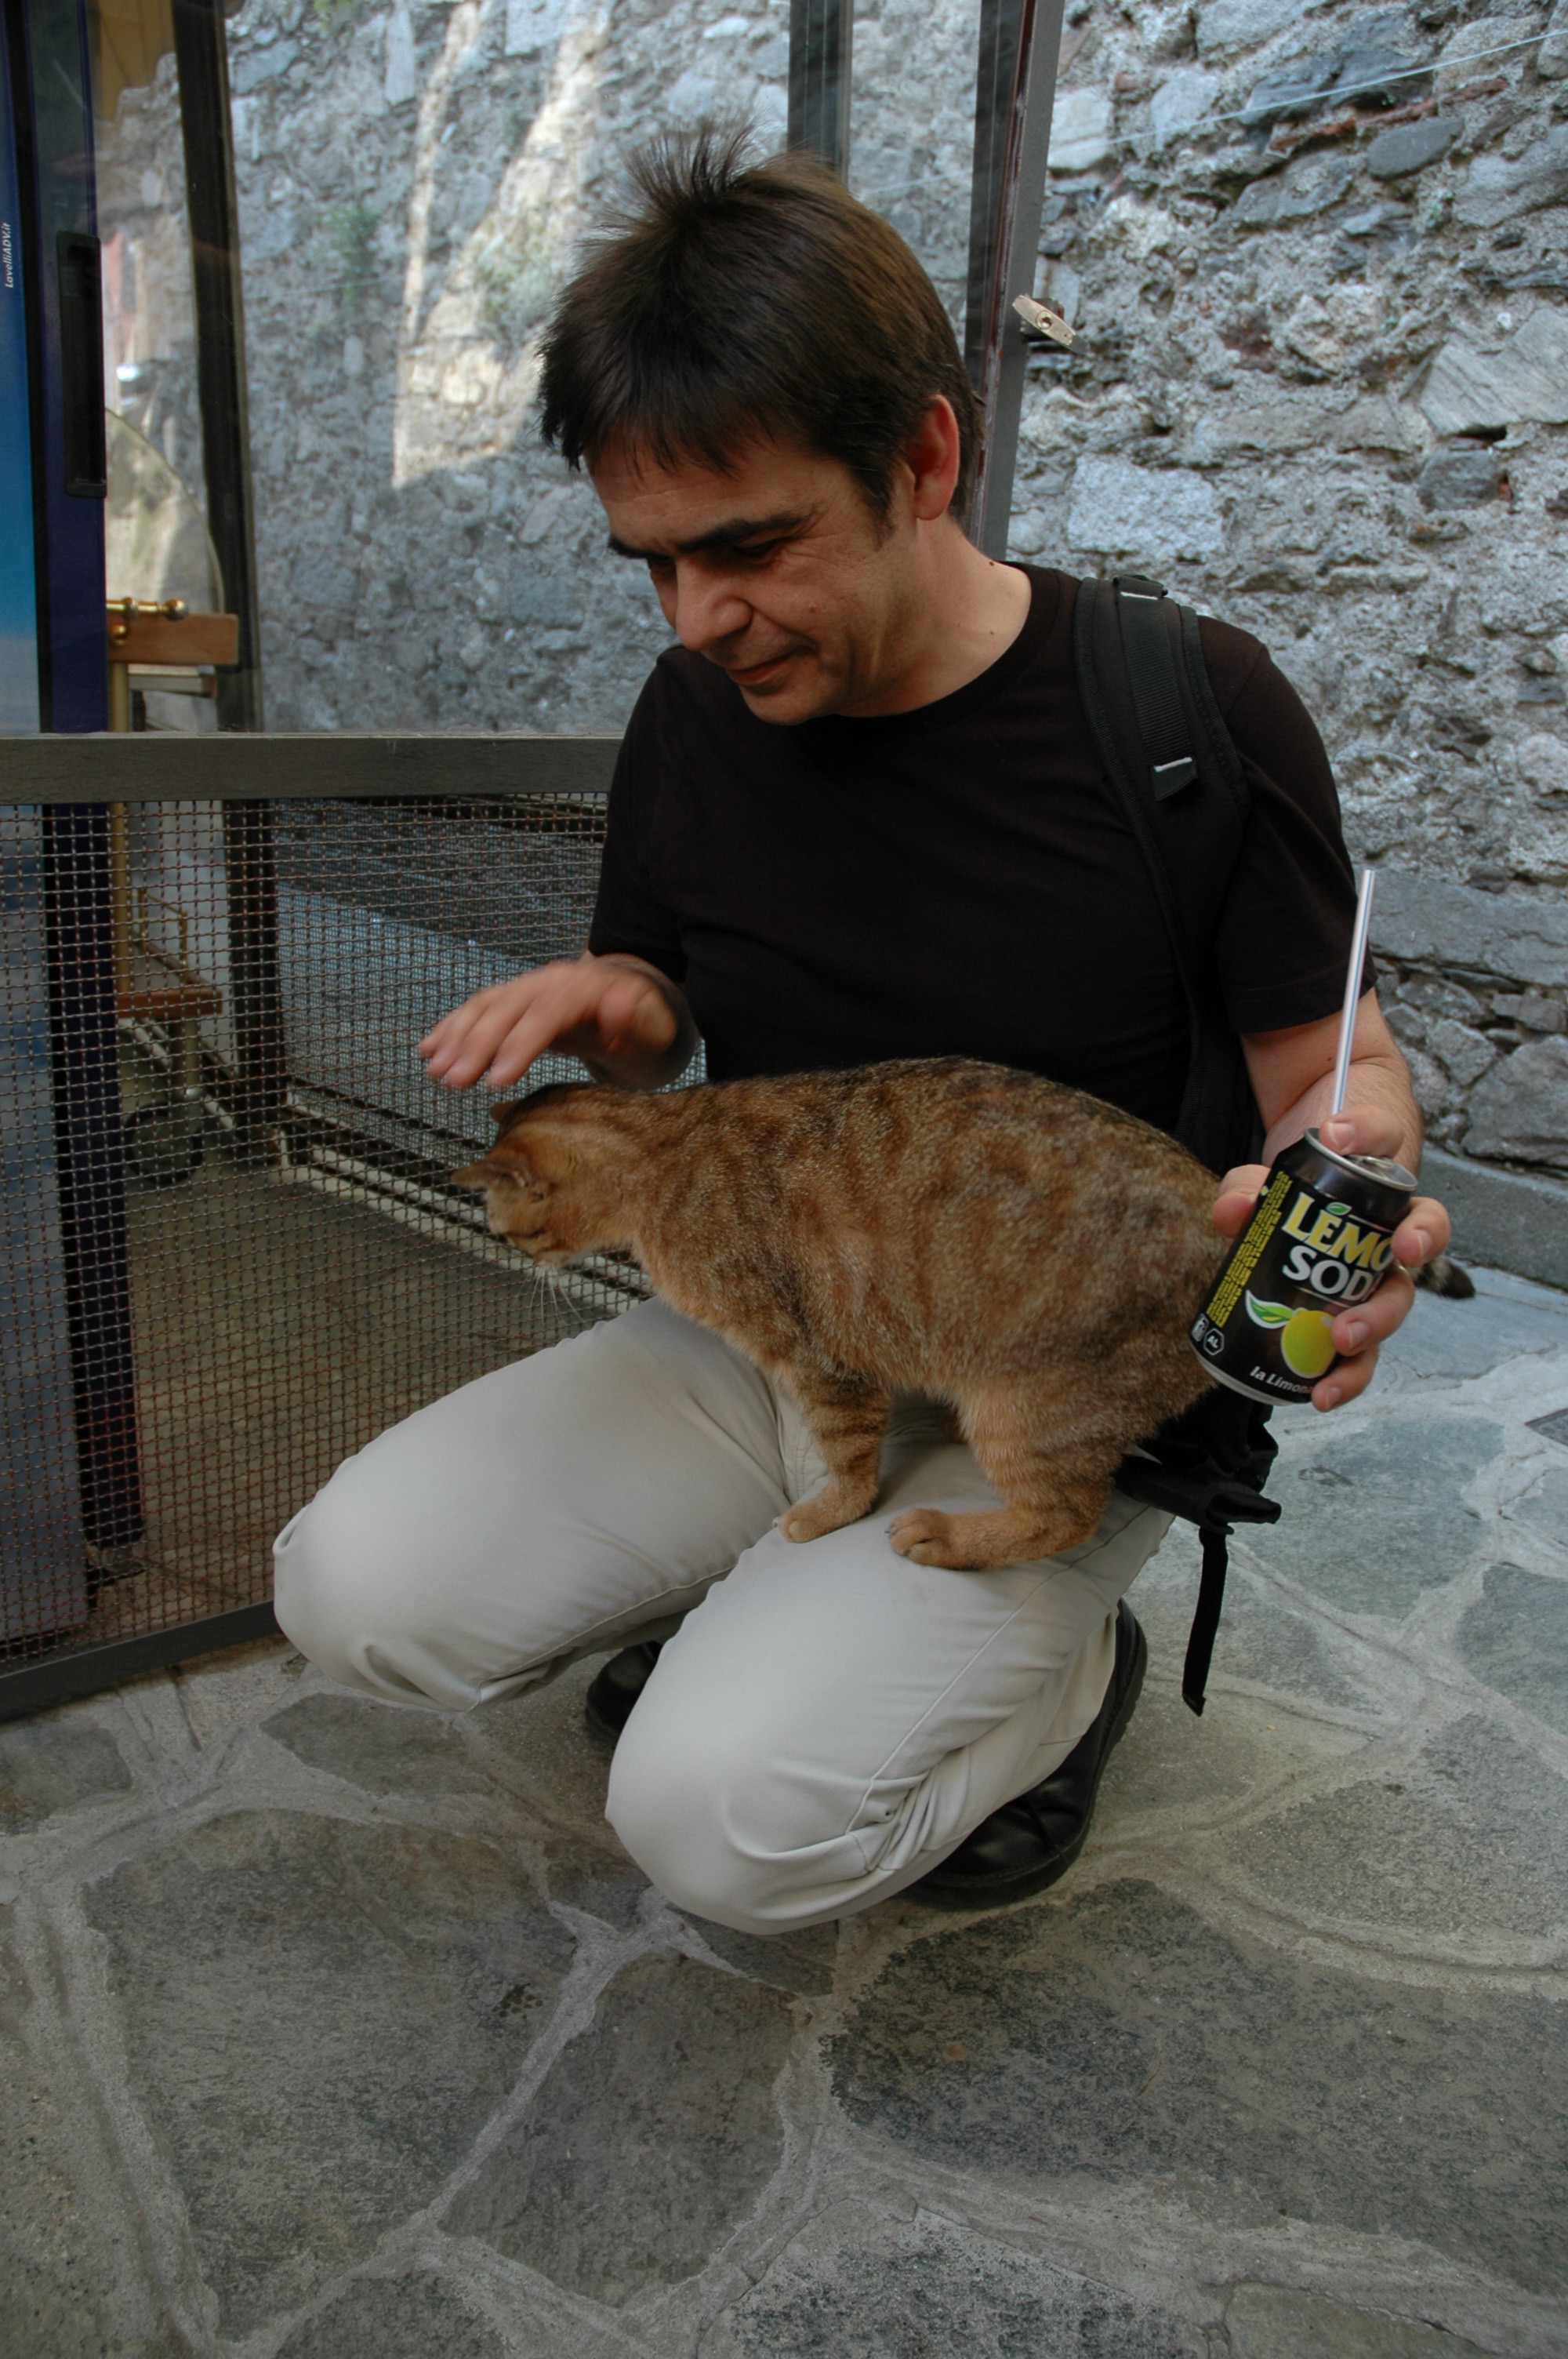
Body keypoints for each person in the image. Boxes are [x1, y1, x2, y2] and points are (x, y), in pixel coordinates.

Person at [272, 133, 1450, 1935]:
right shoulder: (691, 711)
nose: (699, 619)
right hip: (793, 1316)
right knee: (354, 1587)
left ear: (921, 454)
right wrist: (627, 1013)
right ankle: (782, 1612)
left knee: (725, 1826)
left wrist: (1353, 1188)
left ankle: (1060, 1683)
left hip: (1051, 1363)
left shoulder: (1183, 706)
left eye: (747, 547)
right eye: (651, 566)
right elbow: (664, 1023)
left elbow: (1330, 1080)